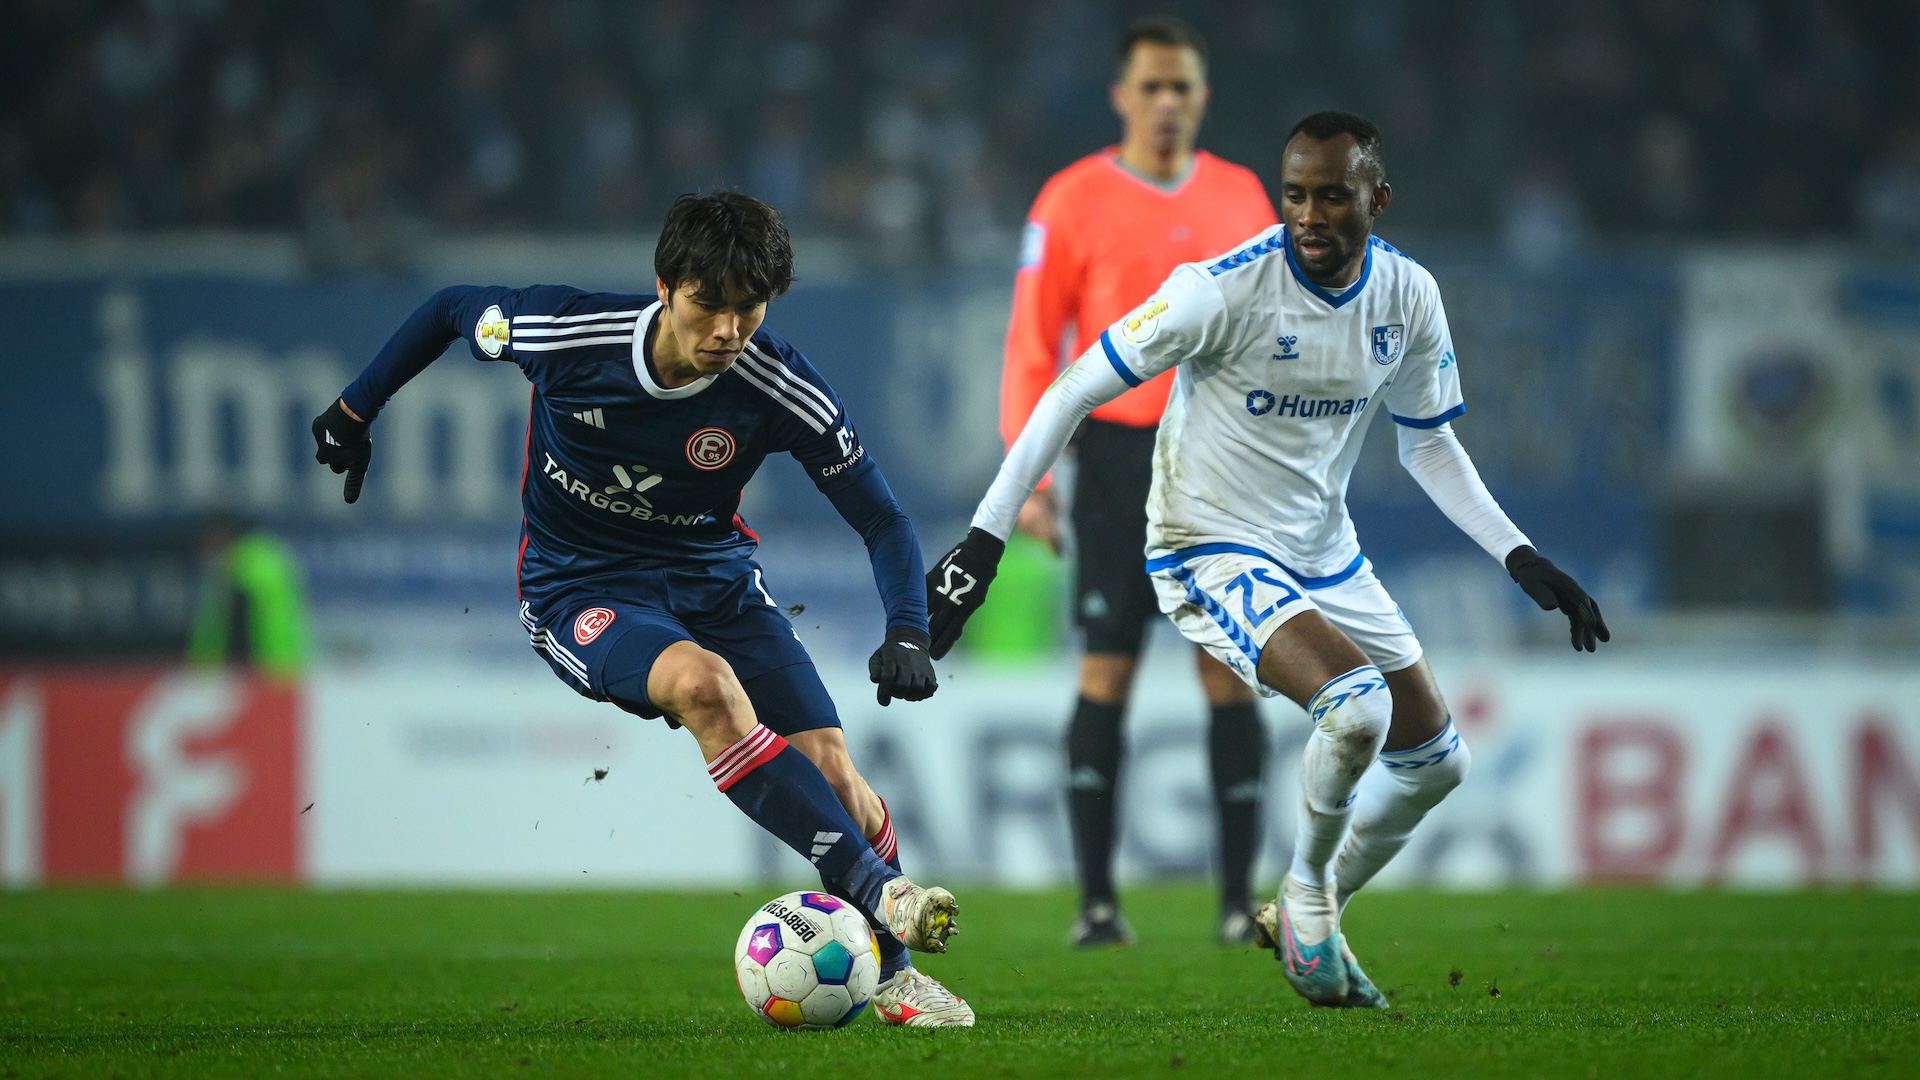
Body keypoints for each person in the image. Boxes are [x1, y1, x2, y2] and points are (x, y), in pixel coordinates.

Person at [925, 113, 1608, 1008]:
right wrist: (984, 539)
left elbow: (1429, 447)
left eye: (1334, 195)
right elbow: (1072, 388)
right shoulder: (1221, 292)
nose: (1312, 215)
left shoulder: (1408, 297)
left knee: (1440, 764)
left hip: (1324, 552)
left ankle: (1302, 900)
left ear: (1378, 199)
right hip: (1203, 543)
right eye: (1296, 195)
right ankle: (1311, 901)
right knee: (1355, 707)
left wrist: (1520, 556)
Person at [311, 191, 974, 1027]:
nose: (728, 331)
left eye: (748, 309)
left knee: (837, 774)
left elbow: (882, 516)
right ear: (665, 285)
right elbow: (449, 309)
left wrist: (908, 628)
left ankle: (895, 981)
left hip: (713, 578)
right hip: (578, 587)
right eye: (709, 305)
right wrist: (353, 407)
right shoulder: (565, 336)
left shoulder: (778, 384)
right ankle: (882, 892)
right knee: (704, 686)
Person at [1001, 16, 1278, 947]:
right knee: (1106, 668)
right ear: (1120, 95)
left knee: (1230, 669)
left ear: (1203, 96)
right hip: (1118, 458)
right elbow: (1034, 341)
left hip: (1221, 459)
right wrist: (1031, 475)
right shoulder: (1070, 200)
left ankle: (1240, 904)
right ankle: (1096, 904)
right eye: (1151, 86)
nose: (1167, 103)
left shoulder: (1245, 197)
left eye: (1183, 87)